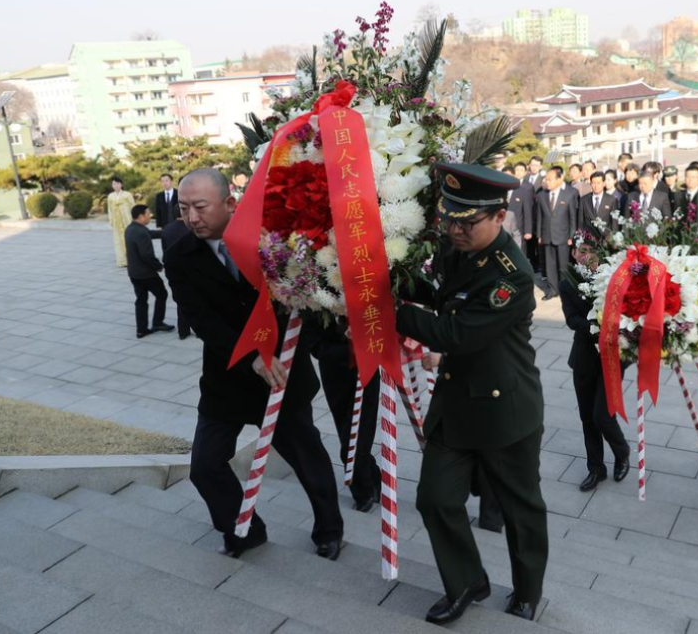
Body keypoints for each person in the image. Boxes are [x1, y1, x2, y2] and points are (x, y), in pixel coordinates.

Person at [164, 169, 344, 561]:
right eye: (183, 209)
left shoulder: (270, 239)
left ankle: (329, 529)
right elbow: (202, 319)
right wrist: (250, 357)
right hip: (227, 375)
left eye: (200, 207)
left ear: (230, 204)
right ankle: (243, 529)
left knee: (307, 460)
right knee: (205, 465)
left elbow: (306, 293)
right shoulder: (179, 252)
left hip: (282, 374)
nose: (192, 218)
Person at [396, 162, 548, 624]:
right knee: (435, 498)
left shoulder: (512, 277)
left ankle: (527, 591)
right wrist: (384, 281)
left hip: (505, 409)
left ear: (500, 216)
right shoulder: (455, 248)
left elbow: (456, 333)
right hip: (457, 401)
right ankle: (467, 582)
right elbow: (440, 292)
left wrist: (392, 309)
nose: (455, 229)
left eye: (467, 221)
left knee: (520, 510)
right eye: (449, 217)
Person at [560, 273, 630, 492]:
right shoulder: (568, 282)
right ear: (574, 253)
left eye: (589, 249)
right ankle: (596, 468)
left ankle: (622, 452)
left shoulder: (612, 275)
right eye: (580, 250)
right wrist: (597, 328)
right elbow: (571, 319)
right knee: (588, 417)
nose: (584, 254)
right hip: (584, 357)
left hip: (612, 358)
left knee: (603, 415)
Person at [306, 322, 381, 513]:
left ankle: (363, 490)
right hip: (332, 366)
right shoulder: (313, 291)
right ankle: (372, 474)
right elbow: (310, 330)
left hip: (364, 361)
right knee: (344, 428)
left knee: (354, 439)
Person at [124, 204, 174, 339]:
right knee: (162, 294)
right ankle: (157, 323)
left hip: (134, 272)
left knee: (141, 299)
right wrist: (159, 266)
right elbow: (146, 255)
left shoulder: (131, 228)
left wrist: (166, 231)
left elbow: (149, 234)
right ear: (141, 216)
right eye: (148, 213)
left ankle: (141, 329)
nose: (150, 215)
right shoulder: (140, 232)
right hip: (145, 274)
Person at [537, 166, 578, 300]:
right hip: (547, 235)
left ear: (560, 179)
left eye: (550, 179)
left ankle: (565, 290)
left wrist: (572, 236)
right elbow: (539, 217)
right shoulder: (542, 195)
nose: (547, 182)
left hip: (563, 236)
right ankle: (552, 289)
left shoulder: (570, 194)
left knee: (563, 265)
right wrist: (539, 235)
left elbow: (573, 217)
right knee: (550, 265)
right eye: (546, 179)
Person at [160, 213, 192, 340]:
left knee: (180, 300)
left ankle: (183, 331)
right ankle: (196, 327)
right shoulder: (190, 228)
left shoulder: (167, 228)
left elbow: (164, 248)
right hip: (190, 269)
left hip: (173, 268)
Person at [578, 171, 618, 239]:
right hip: (589, 239)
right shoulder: (583, 200)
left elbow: (614, 223)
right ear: (590, 184)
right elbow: (581, 222)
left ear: (603, 183)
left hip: (606, 238)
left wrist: (613, 239)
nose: (596, 186)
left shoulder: (611, 200)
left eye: (598, 183)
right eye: (593, 183)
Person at [107, 176, 135, 267]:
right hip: (117, 221)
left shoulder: (127, 195)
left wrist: (135, 219)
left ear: (121, 185)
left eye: (117, 183)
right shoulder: (110, 196)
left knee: (129, 239)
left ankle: (132, 259)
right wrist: (111, 219)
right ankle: (122, 260)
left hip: (127, 220)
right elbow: (109, 209)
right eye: (114, 184)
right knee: (118, 241)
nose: (116, 185)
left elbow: (133, 207)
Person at [502, 164, 533, 246]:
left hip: (517, 228)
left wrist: (528, 231)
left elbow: (527, 211)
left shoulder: (522, 191)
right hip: (502, 226)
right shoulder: (499, 191)